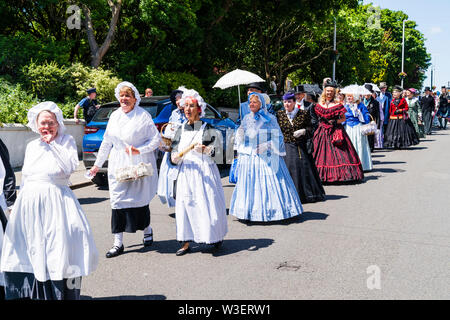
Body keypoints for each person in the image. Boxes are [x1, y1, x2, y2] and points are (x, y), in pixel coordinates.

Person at [1, 102, 98, 300]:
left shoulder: (66, 141)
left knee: (60, 249)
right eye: (42, 123)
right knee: (32, 248)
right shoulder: (31, 146)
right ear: (36, 124)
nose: (46, 127)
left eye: (50, 123)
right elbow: (26, 177)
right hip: (29, 204)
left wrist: (52, 144)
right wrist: (16, 207)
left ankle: (63, 293)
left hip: (58, 203)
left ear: (58, 123)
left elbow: (69, 167)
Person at [89, 82, 161, 258]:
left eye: (128, 95)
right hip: (118, 163)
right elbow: (107, 142)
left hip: (137, 162)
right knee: (117, 201)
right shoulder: (114, 116)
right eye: (121, 96)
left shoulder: (143, 116)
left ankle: (147, 229)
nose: (124, 99)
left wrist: (140, 150)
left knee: (139, 200)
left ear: (135, 99)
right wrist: (97, 165)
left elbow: (155, 139)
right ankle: (117, 243)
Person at [169, 89, 227, 256]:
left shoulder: (207, 128)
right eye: (185, 106)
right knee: (185, 206)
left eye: (191, 106)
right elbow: (174, 152)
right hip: (186, 172)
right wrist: (174, 157)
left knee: (206, 204)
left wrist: (207, 150)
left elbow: (221, 153)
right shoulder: (180, 129)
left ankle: (213, 236)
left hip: (204, 173)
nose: (187, 109)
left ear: (199, 109)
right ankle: (185, 242)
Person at [230, 92, 303, 222]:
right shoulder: (246, 118)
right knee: (251, 184)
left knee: (270, 183)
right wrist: (239, 134)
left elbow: (279, 137)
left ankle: (274, 211)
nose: (252, 104)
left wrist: (268, 145)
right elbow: (243, 137)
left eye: (255, 102)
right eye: (250, 102)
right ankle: (249, 211)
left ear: (261, 104)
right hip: (250, 155)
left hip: (266, 156)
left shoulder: (269, 118)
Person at [276, 92, 325, 203]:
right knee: (288, 168)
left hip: (300, 146)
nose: (287, 104)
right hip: (286, 146)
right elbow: (276, 130)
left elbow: (312, 127)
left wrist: (304, 131)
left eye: (289, 101)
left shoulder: (303, 113)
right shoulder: (279, 114)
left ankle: (304, 194)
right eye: (284, 102)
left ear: (294, 102)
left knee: (301, 167)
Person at [312, 80, 364, 183]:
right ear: (324, 92)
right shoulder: (319, 105)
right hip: (322, 131)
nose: (329, 93)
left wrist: (335, 121)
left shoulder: (338, 105)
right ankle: (319, 175)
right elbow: (316, 118)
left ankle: (341, 175)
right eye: (327, 91)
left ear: (334, 92)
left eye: (331, 91)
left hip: (335, 130)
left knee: (341, 153)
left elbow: (343, 119)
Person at [157, 87, 186, 207]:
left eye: (181, 98)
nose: (178, 101)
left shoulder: (192, 113)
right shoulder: (174, 113)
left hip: (185, 150)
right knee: (172, 177)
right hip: (173, 149)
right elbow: (169, 127)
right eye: (176, 99)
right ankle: (176, 200)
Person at [343, 93, 373, 172]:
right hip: (348, 127)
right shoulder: (345, 106)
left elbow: (366, 115)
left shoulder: (360, 105)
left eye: (351, 96)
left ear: (355, 97)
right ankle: (351, 165)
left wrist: (360, 115)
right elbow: (342, 116)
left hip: (358, 127)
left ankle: (362, 165)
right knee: (349, 145)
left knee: (360, 144)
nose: (349, 98)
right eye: (348, 96)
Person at [363, 84, 380, 152]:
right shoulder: (360, 101)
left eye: (368, 93)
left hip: (371, 121)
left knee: (370, 136)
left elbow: (377, 114)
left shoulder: (375, 102)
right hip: (362, 121)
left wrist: (378, 125)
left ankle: (370, 148)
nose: (366, 95)